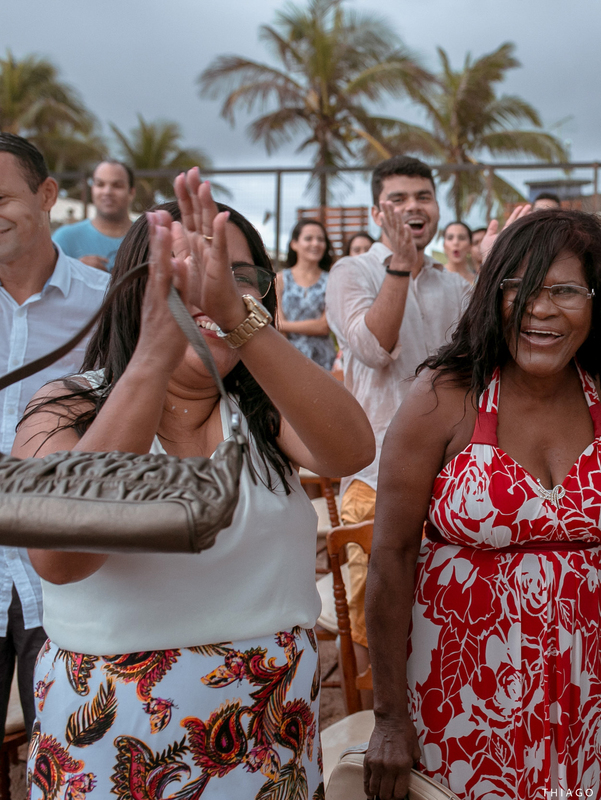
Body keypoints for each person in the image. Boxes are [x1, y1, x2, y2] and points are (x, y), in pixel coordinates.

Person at [12, 168, 374, 798]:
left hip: (271, 743)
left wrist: (239, 321)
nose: (211, 288)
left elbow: (350, 451)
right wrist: (155, 352)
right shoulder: (65, 408)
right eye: (185, 272)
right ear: (135, 289)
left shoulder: (263, 410)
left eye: (237, 275)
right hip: (113, 750)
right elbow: (61, 558)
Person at [362, 208, 601, 799]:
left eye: (565, 291)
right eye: (521, 287)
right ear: (493, 296)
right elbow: (391, 556)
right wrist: (389, 717)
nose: (540, 308)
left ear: (597, 301)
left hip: (592, 689)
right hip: (463, 695)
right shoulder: (444, 397)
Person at [325, 155, 471, 667]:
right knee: (372, 613)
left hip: (450, 474)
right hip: (374, 474)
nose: (413, 207)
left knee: (446, 610)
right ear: (376, 213)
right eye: (398, 199)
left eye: (423, 197)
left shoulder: (455, 286)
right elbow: (373, 348)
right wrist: (400, 267)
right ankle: (371, 713)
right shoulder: (351, 272)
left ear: (437, 208)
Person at [0, 133, 109, 742]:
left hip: (66, 570)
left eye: (2, 199)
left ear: (46, 195)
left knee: (64, 750)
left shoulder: (106, 306)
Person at [51, 161, 136, 271]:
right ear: (92, 189)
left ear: (131, 193)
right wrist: (75, 271)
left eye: (117, 186)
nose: (107, 192)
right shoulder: (65, 239)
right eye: (100, 184)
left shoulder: (148, 237)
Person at [277, 218, 336, 370]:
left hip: (324, 362)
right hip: (288, 357)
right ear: (294, 244)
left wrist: (284, 325)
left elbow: (324, 326)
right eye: (308, 238)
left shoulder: (332, 280)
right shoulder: (280, 279)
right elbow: (278, 326)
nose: (315, 244)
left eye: (320, 239)